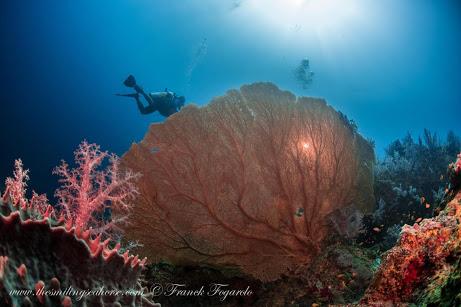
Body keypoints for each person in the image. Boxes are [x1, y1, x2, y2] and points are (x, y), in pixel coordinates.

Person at [116, 75, 185, 117]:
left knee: (143, 112)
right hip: (159, 99)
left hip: (158, 106)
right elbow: (171, 99)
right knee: (152, 103)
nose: (180, 107)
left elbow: (170, 113)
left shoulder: (175, 108)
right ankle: (135, 85)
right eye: (181, 104)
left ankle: (136, 97)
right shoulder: (175, 100)